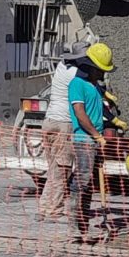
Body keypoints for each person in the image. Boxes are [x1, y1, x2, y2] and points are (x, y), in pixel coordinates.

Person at [67, 42, 114, 242]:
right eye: (100, 70)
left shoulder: (94, 86)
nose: (103, 74)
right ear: (91, 67)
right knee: (81, 181)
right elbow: (80, 113)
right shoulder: (77, 84)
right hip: (84, 139)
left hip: (95, 139)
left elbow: (100, 110)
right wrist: (96, 135)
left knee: (88, 185)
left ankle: (83, 225)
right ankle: (74, 226)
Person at [35, 42, 85, 222]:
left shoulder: (61, 67)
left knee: (53, 169)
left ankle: (43, 208)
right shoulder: (76, 74)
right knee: (62, 170)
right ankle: (53, 210)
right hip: (64, 124)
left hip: (49, 121)